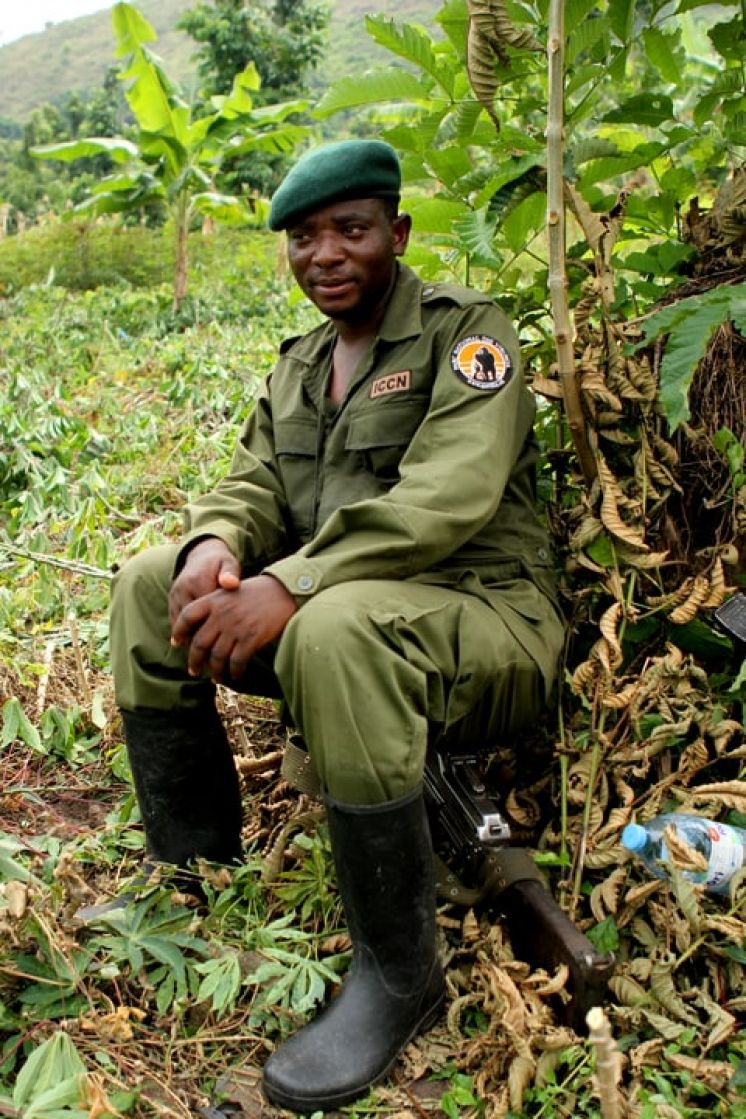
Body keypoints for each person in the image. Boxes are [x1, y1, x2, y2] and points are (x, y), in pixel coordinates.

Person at [109, 139, 565, 1113]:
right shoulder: (302, 364)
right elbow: (255, 481)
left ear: (395, 234)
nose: (324, 255)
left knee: (331, 625)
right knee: (150, 586)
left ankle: (399, 971)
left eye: (349, 230)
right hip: (353, 616)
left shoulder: (466, 335)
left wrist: (296, 582)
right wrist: (212, 548)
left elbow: (449, 493)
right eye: (303, 238)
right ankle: (193, 866)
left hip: (487, 628)